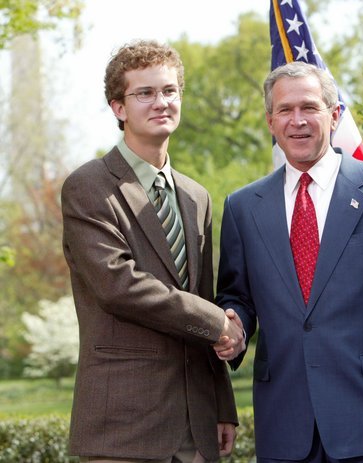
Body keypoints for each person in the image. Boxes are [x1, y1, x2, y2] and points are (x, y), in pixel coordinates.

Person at [215, 61, 363, 463]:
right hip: (283, 423)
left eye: (309, 107)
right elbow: (238, 296)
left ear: (334, 115)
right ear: (270, 121)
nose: (297, 121)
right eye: (285, 110)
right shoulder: (242, 206)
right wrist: (234, 325)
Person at [61, 40, 245, 463]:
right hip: (122, 428)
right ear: (118, 108)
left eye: (169, 91)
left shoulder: (197, 197)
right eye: (144, 93)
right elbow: (117, 285)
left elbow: (201, 299)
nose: (160, 102)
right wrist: (218, 321)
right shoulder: (89, 186)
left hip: (195, 429)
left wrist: (221, 405)